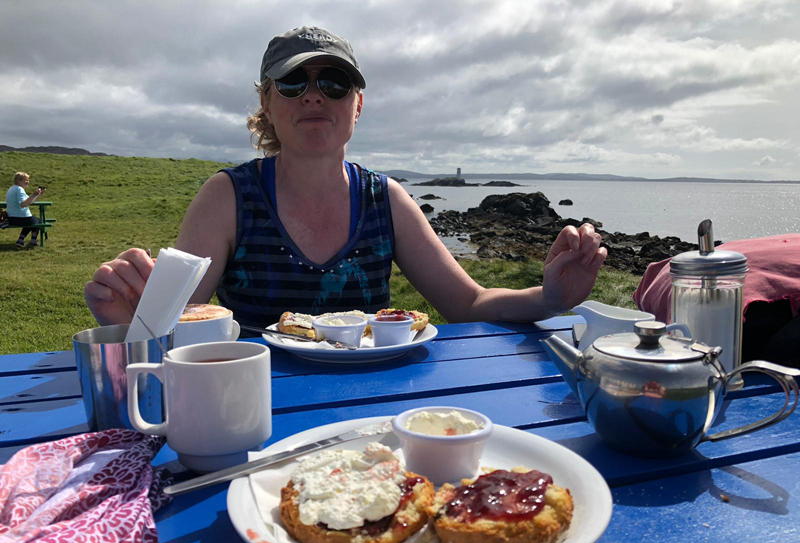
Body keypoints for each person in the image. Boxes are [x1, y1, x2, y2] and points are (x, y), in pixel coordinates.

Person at [85, 26, 607, 329]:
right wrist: (135, 315)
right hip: (252, 409)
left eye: (333, 82)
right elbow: (175, 320)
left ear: (357, 105)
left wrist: (550, 298)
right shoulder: (228, 197)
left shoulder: (386, 199)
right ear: (266, 103)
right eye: (292, 83)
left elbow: (467, 304)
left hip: (369, 409)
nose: (313, 95)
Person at [5, 172, 45, 248]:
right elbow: (23, 204)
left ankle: (21, 239)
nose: (28, 182)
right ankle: (32, 240)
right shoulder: (19, 189)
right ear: (19, 180)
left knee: (32, 220)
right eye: (26, 180)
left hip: (11, 218)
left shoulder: (11, 188)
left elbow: (28, 201)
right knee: (37, 221)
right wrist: (33, 195)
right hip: (21, 218)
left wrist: (37, 195)